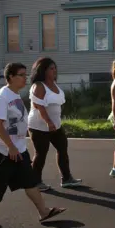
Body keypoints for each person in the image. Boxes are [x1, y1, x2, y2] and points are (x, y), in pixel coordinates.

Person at [0, 63, 66, 228]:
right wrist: (10, 146)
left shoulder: (15, 95)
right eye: (21, 75)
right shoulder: (2, 96)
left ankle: (43, 211)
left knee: (29, 180)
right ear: (10, 77)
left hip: (18, 148)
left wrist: (16, 146)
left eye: (25, 75)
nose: (25, 78)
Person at [28, 57, 82, 192]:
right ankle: (35, 182)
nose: (54, 71)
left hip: (56, 125)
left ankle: (67, 179)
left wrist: (54, 123)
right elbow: (39, 106)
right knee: (41, 153)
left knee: (62, 150)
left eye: (55, 68)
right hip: (39, 126)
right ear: (43, 70)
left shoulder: (54, 85)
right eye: (51, 68)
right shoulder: (39, 86)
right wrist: (49, 122)